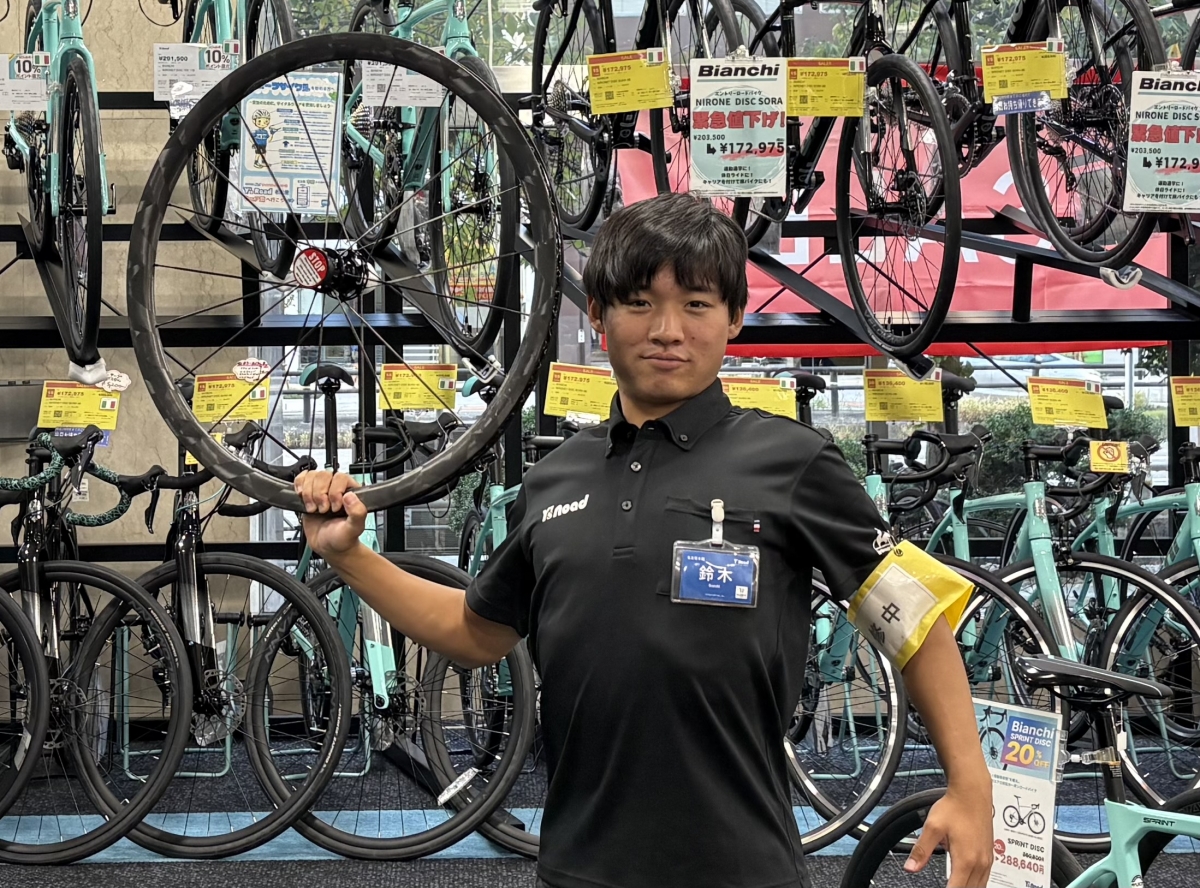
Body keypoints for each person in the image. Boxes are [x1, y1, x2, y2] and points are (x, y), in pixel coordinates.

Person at [295, 192, 994, 888]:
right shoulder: (553, 479)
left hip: (743, 870)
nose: (667, 329)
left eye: (696, 304)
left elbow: (915, 621)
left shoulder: (793, 462)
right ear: (598, 316)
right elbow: (474, 631)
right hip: (577, 869)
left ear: (734, 318)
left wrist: (971, 786)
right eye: (638, 303)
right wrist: (349, 555)